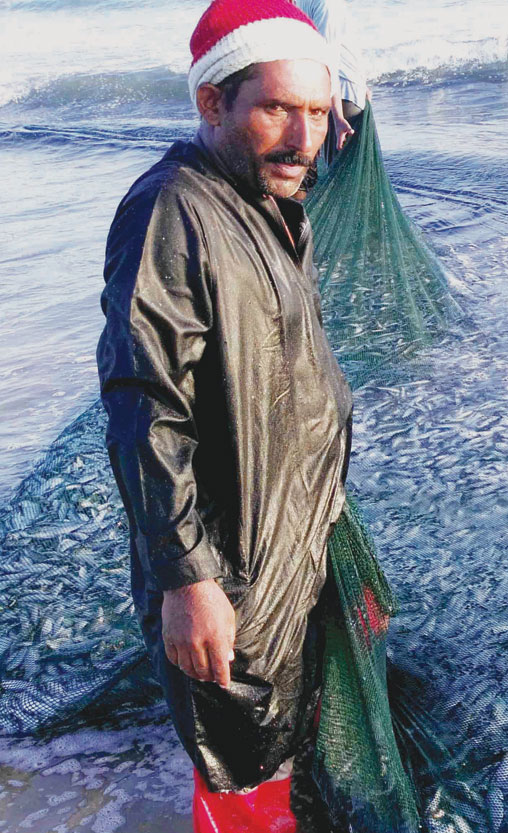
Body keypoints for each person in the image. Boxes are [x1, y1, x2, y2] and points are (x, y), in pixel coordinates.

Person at [97, 0, 386, 827]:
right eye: (277, 109)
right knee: (242, 755)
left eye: (319, 112)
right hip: (233, 566)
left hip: (293, 536)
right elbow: (143, 404)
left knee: (282, 735)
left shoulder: (261, 200)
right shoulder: (172, 212)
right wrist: (187, 578)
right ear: (211, 102)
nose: (305, 138)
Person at [295, 0, 369, 191]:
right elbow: (327, 63)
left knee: (330, 180)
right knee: (343, 184)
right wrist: (336, 117)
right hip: (340, 98)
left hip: (334, 96)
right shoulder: (327, 4)